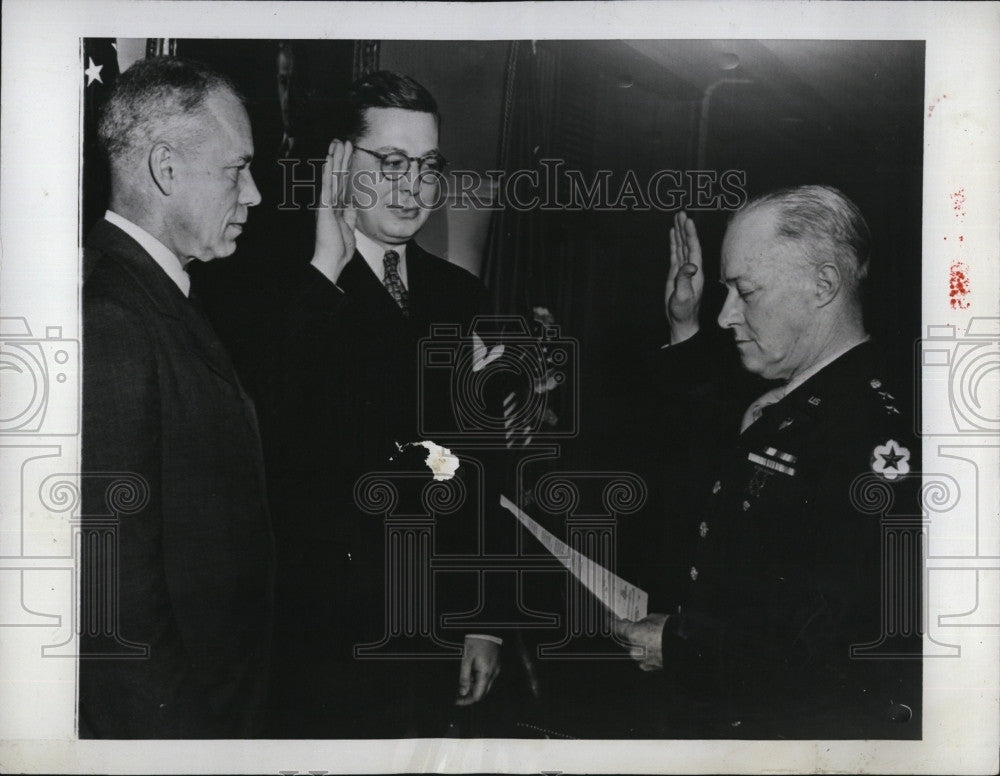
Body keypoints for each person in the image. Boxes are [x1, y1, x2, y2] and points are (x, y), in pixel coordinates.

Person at [614, 185, 922, 739]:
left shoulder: (872, 432)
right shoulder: (798, 394)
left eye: (746, 292)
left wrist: (682, 648)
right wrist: (683, 325)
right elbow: (705, 463)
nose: (726, 314)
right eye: (726, 290)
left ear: (823, 285)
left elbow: (840, 636)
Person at [262, 71, 501, 738]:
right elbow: (266, 441)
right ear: (340, 163)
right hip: (316, 637)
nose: (413, 186)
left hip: (429, 633)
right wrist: (325, 270)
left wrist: (484, 619)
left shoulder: (459, 296)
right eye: (391, 163)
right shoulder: (283, 285)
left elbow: (479, 467)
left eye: (426, 166)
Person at [80, 57, 273, 738]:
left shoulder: (158, 294)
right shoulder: (111, 318)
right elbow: (117, 612)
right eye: (235, 169)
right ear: (165, 169)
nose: (252, 194)